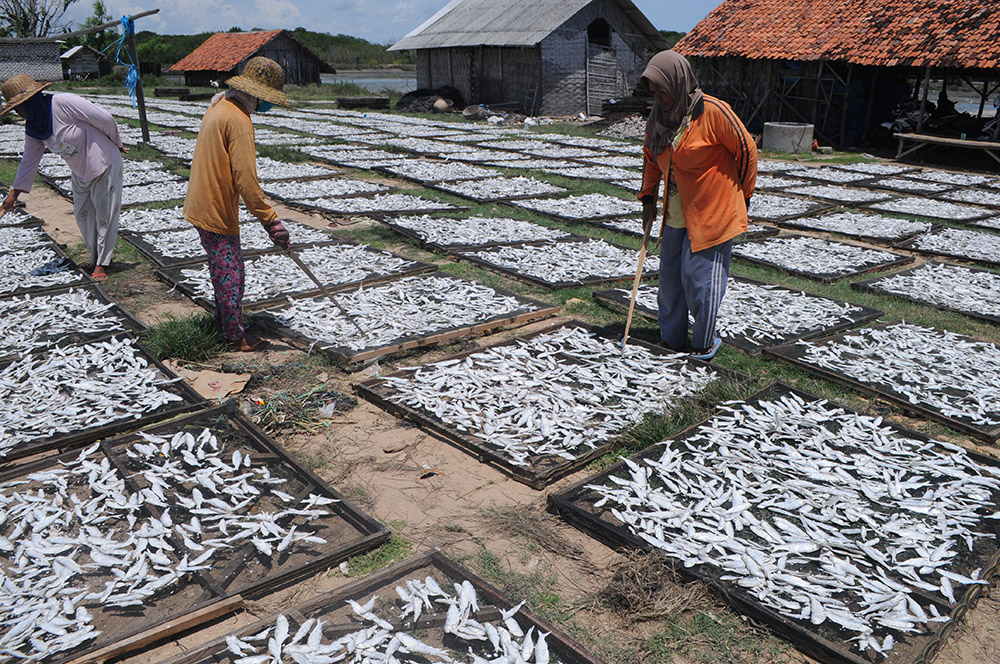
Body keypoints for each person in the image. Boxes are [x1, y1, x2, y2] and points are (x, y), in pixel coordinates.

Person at [638, 50, 757, 361]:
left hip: (712, 212)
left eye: (662, 88)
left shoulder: (712, 111)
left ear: (677, 81)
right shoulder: (659, 119)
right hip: (676, 212)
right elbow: (652, 157)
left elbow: (747, 149)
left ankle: (703, 343)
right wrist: (648, 198)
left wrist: (742, 198)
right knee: (670, 282)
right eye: (653, 91)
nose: (658, 96)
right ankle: (672, 341)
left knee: (700, 283)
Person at [184, 56, 291, 352]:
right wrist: (272, 220)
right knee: (231, 273)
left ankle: (224, 320)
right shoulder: (239, 121)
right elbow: (246, 181)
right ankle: (234, 336)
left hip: (201, 202)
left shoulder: (220, 105)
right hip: (214, 207)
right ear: (257, 95)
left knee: (222, 268)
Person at [0, 73, 128, 281]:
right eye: (15, 108)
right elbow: (29, 161)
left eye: (19, 106)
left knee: (105, 215)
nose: (18, 112)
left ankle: (101, 264)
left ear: (31, 100)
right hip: (80, 171)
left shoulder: (63, 103)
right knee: (83, 215)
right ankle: (96, 256)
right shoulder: (34, 127)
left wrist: (117, 143)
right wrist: (14, 193)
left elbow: (104, 118)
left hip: (104, 162)